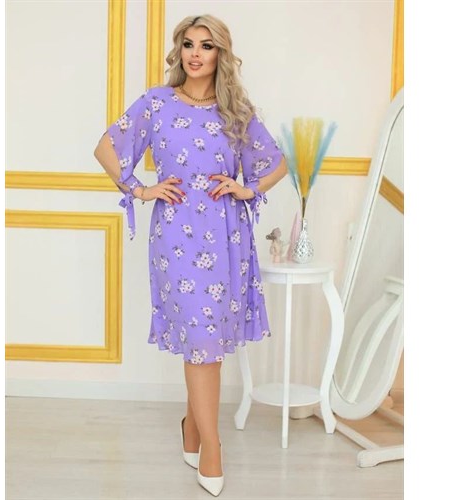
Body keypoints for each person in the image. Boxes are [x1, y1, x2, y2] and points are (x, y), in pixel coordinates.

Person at [94, 14, 287, 497]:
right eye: (188, 44)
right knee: (200, 338)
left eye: (206, 45)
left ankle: (193, 429)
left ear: (221, 54)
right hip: (177, 237)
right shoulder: (156, 102)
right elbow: (107, 147)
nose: (195, 53)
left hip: (225, 236)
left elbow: (276, 163)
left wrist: (246, 189)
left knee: (208, 341)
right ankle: (213, 447)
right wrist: (140, 189)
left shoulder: (235, 110)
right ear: (179, 50)